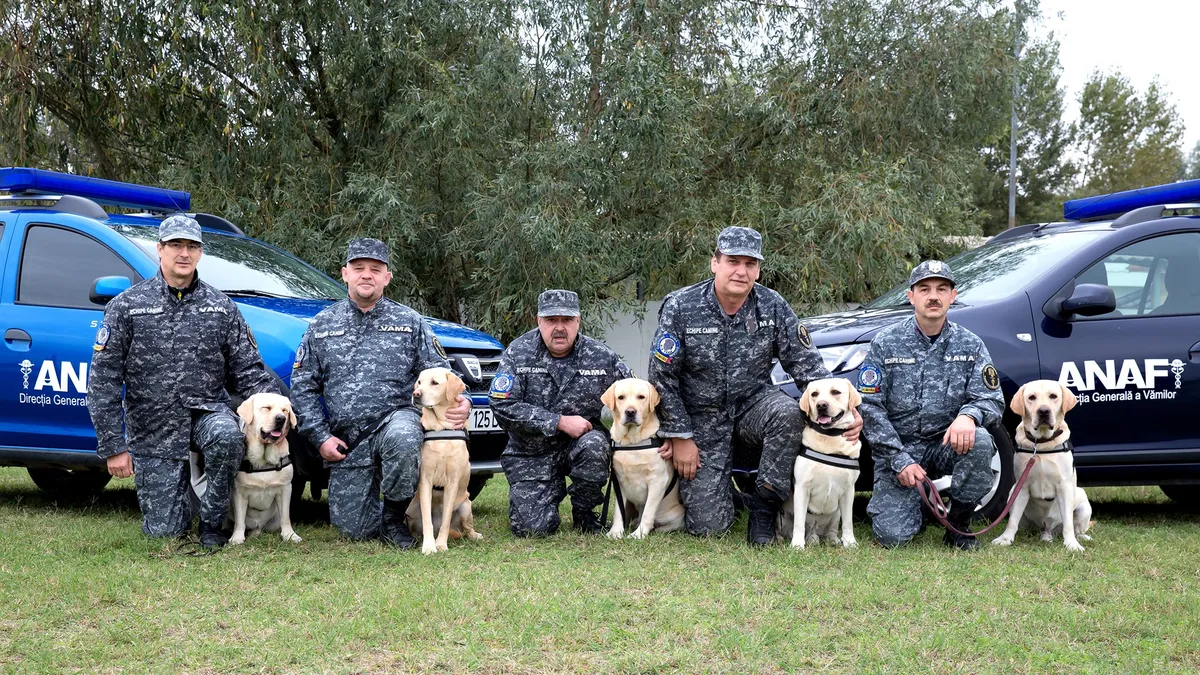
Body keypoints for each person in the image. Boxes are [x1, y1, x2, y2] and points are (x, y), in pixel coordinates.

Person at [648, 226, 862, 545]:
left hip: (754, 406)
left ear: (758, 270)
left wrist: (847, 411)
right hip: (702, 417)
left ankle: (764, 513)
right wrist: (679, 436)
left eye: (750, 264)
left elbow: (807, 365)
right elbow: (661, 376)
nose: (741, 271)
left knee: (788, 414)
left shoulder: (772, 305)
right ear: (715, 263)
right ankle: (730, 497)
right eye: (733, 261)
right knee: (708, 526)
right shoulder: (681, 305)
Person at [88, 215, 277, 548]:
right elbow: (103, 381)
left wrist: (277, 413)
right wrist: (114, 447)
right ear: (160, 249)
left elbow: (249, 371)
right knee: (165, 532)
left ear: (200, 253)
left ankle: (212, 523)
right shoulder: (127, 307)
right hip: (154, 427)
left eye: (192, 246)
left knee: (227, 435)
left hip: (207, 413)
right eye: (176, 245)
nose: (184, 253)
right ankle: (180, 510)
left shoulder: (221, 307)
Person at [290, 238, 469, 547]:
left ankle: (394, 519)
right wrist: (321, 437)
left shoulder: (409, 322)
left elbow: (442, 375)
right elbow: (303, 385)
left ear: (387, 277)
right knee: (355, 530)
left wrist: (461, 403)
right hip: (349, 440)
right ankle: (393, 515)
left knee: (403, 436)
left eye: (375, 269)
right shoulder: (322, 325)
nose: (366, 275)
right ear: (345, 274)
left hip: (396, 420)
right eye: (359, 268)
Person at [857, 260, 1004, 550]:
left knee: (980, 440)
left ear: (953, 296)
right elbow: (869, 407)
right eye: (924, 289)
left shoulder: (970, 344)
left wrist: (968, 416)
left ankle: (959, 525)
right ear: (911, 296)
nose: (933, 296)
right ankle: (918, 505)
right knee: (894, 537)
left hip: (945, 444)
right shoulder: (886, 342)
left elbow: (992, 399)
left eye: (941, 289)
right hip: (900, 449)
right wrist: (899, 458)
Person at [489, 289, 632, 536]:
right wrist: (559, 422)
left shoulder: (600, 356)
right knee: (532, 529)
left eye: (566, 320)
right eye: (551, 320)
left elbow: (634, 391)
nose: (559, 328)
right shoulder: (518, 352)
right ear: (539, 321)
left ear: (578, 321)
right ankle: (546, 496)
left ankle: (584, 513)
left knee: (595, 444)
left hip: (580, 445)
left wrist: (663, 438)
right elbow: (501, 405)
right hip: (531, 453)